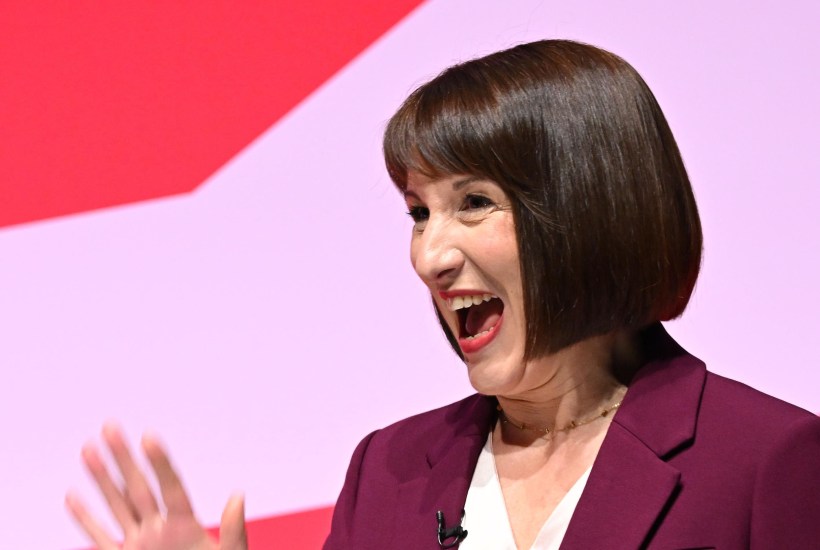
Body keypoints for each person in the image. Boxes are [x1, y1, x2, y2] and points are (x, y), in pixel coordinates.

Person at [67, 40, 820, 549]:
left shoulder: (766, 461)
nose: (430, 257)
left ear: (592, 206)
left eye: (474, 203)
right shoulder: (387, 469)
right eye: (418, 213)